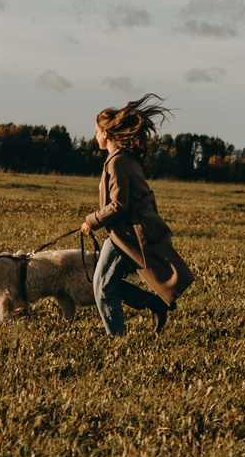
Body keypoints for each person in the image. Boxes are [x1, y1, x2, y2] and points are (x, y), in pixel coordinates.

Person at [81, 94, 196, 336]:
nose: (95, 136)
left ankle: (117, 337)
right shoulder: (122, 158)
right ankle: (152, 305)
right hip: (125, 232)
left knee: (102, 286)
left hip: (128, 233)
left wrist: (91, 221)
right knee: (104, 283)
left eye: (96, 131)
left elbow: (119, 205)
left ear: (106, 133)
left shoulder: (117, 162)